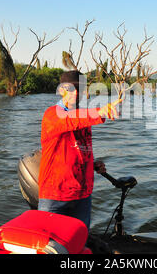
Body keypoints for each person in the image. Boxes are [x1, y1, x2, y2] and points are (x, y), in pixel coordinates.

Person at [37, 70, 121, 229]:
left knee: (79, 241)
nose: (76, 93)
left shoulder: (84, 117)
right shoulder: (52, 114)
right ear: (62, 90)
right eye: (71, 88)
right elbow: (69, 119)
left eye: (80, 89)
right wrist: (100, 111)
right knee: (48, 245)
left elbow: (79, 148)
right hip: (55, 195)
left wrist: (92, 164)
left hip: (83, 195)